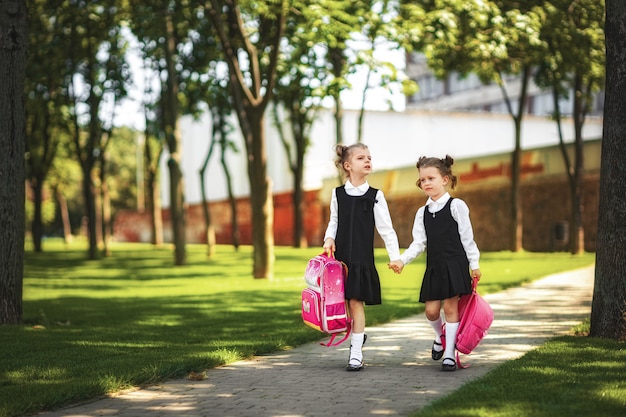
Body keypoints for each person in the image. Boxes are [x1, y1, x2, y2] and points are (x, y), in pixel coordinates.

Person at [389, 155, 481, 372]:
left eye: (431, 178)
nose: (426, 183)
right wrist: (402, 260)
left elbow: (467, 237)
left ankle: (449, 354)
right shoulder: (422, 213)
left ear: (445, 180)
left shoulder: (456, 206)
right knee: (431, 312)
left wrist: (474, 263)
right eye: (423, 180)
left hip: (454, 264)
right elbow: (419, 243)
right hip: (435, 268)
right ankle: (440, 336)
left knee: (450, 307)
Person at [323, 143, 401, 372]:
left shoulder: (375, 196)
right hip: (340, 262)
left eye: (369, 157)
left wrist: (395, 257)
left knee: (356, 302)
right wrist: (329, 238)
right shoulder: (337, 194)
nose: (367, 160)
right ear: (348, 165)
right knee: (344, 304)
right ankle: (359, 334)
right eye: (361, 158)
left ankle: (355, 352)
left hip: (361, 260)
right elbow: (334, 221)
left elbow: (387, 229)